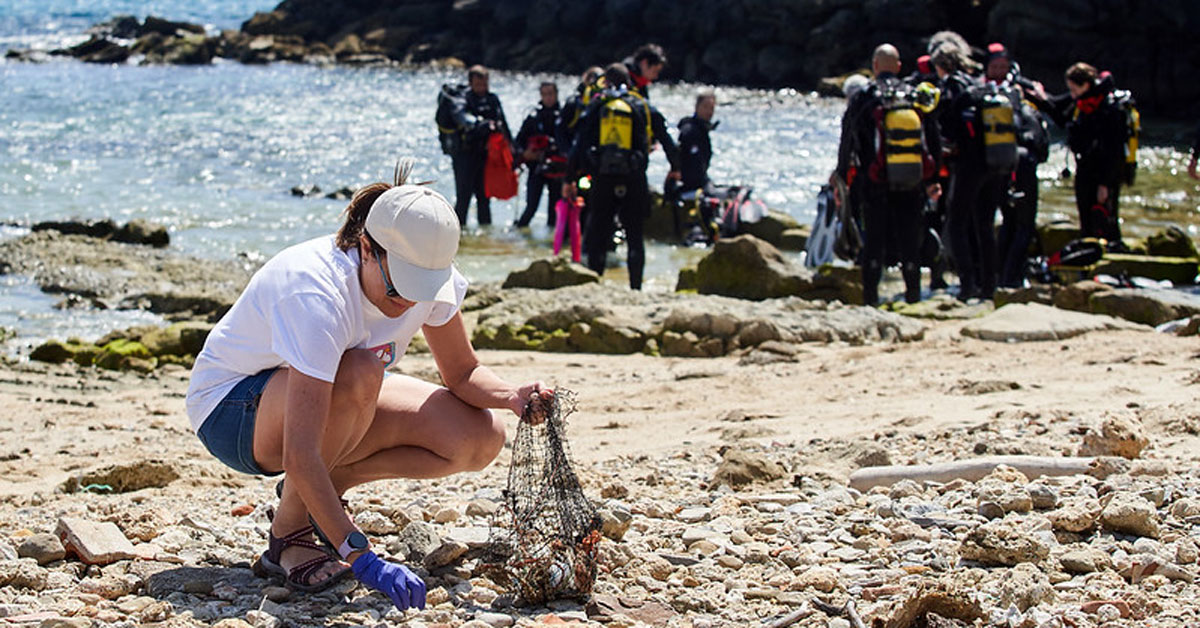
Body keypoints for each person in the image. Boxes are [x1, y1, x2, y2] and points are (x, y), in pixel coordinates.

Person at [186, 159, 552, 606]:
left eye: (423, 288)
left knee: (479, 436)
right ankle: (289, 533)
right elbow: (300, 452)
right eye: (399, 289)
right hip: (231, 409)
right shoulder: (316, 292)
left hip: (326, 400)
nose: (410, 302)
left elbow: (462, 373)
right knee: (361, 371)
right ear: (366, 248)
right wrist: (362, 556)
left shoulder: (427, 276)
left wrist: (511, 396)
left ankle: (324, 492)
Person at [835, 44, 941, 305]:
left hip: (874, 183)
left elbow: (847, 138)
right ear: (899, 67)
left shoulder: (866, 96)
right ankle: (913, 297)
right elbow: (932, 138)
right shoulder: (914, 95)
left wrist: (841, 176)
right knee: (910, 241)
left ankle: (870, 300)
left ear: (874, 66)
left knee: (874, 242)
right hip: (912, 181)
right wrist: (932, 178)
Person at [568, 63, 656, 290]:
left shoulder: (598, 104)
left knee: (598, 231)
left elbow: (579, 145)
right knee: (635, 235)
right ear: (629, 81)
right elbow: (659, 137)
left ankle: (596, 284)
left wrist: (569, 179)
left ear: (605, 81)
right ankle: (636, 287)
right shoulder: (639, 103)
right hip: (633, 177)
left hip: (603, 178)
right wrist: (675, 167)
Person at [985, 43, 1050, 289]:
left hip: (1003, 166)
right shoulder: (1016, 97)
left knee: (1009, 224)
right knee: (1021, 225)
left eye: (1003, 66)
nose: (1000, 71)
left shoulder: (990, 94)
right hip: (1015, 166)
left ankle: (1002, 276)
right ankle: (1011, 278)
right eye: (995, 66)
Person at [1057, 63, 1129, 247]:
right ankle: (1089, 256)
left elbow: (1114, 151)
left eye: (1074, 89)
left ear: (1086, 85)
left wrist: (1104, 184)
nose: (1072, 95)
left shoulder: (1109, 108)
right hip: (1086, 171)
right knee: (1087, 222)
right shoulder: (1082, 104)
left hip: (1104, 177)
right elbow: (1057, 112)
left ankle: (1112, 261)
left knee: (1106, 221)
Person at [450, 65, 511, 227]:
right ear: (471, 83)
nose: (482, 88)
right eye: (478, 84)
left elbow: (504, 125)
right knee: (463, 197)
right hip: (465, 156)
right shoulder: (462, 99)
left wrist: (514, 152)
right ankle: (457, 236)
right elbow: (461, 117)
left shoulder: (492, 99)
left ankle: (486, 239)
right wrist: (481, 124)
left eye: (485, 84)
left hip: (486, 156)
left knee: (485, 198)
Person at [513, 81, 564, 228]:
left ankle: (551, 246)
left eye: (551, 94)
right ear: (541, 96)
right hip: (536, 168)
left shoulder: (563, 116)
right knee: (531, 207)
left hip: (557, 169)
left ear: (556, 95)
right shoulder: (533, 118)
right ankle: (519, 234)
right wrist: (526, 154)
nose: (548, 98)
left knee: (554, 212)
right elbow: (518, 143)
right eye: (545, 94)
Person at [553, 180, 583, 263]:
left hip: (574, 201)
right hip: (565, 202)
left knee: (574, 229)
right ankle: (556, 255)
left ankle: (576, 258)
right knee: (561, 228)